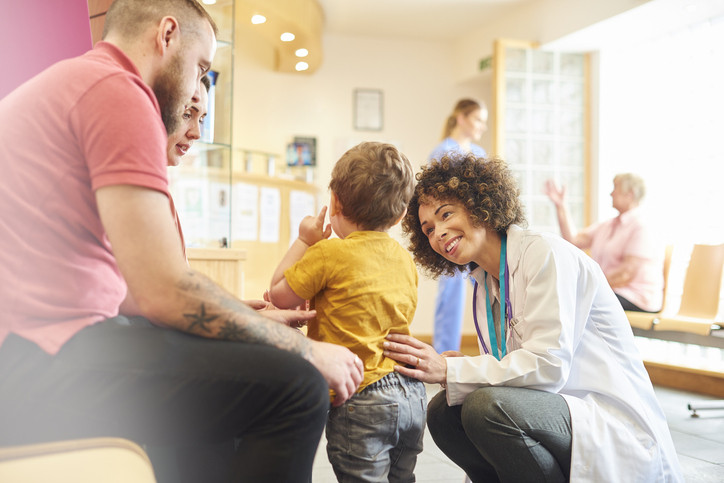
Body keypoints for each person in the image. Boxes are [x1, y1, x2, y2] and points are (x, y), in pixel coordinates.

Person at [0, 1, 363, 482]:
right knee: (296, 387)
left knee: (234, 365)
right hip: (34, 360)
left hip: (34, 348)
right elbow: (163, 292)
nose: (197, 88)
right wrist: (307, 351)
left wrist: (242, 321)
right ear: (166, 34)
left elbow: (132, 292)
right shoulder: (118, 89)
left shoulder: (81, 81)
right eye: (201, 68)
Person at [382, 154, 683, 482]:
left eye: (446, 214)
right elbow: (516, 366)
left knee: (486, 407)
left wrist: (452, 369)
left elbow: (548, 367)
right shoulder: (485, 285)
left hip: (608, 422)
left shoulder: (544, 254)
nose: (438, 232)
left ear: (478, 203)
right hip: (555, 410)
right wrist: (458, 370)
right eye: (428, 229)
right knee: (443, 412)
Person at [269, 142, 427, 482]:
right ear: (400, 216)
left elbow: (279, 294)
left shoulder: (327, 254)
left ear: (335, 202)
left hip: (361, 395)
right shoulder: (403, 259)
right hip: (411, 394)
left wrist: (304, 240)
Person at [545, 173, 664, 312]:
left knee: (576, 301)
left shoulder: (642, 226)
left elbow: (626, 274)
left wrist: (590, 286)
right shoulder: (609, 225)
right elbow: (574, 240)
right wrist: (561, 207)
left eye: (616, 188)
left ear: (630, 194)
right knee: (567, 298)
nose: (611, 193)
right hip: (612, 292)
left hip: (636, 298)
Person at [428, 98, 488, 353]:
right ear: (461, 118)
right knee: (451, 294)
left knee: (487, 290)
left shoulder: (480, 154)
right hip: (451, 231)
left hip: (478, 232)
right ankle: (444, 353)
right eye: (477, 119)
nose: (481, 127)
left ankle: (492, 350)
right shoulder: (442, 152)